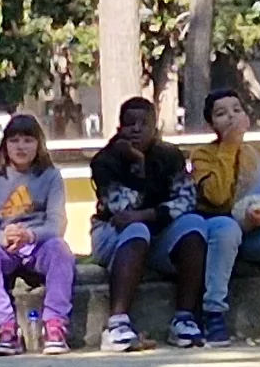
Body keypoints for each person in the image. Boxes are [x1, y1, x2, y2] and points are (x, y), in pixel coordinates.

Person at [169, 88, 260, 347]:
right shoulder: (203, 155)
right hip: (220, 232)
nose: (231, 117)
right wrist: (229, 147)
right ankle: (213, 312)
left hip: (255, 231)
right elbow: (217, 197)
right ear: (211, 124)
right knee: (227, 227)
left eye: (236, 110)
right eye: (221, 114)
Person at [81, 96, 189, 353]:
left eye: (144, 123)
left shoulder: (171, 156)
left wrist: (151, 214)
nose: (137, 129)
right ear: (120, 127)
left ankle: (185, 319)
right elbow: (122, 211)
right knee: (136, 230)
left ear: (156, 126)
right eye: (130, 123)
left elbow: (187, 200)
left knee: (193, 226)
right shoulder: (105, 160)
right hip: (112, 235)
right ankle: (117, 324)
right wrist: (136, 163)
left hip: (157, 231)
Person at [0, 113, 74, 355]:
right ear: (5, 145)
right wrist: (3, 237)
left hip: (38, 242)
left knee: (62, 252)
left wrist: (30, 235)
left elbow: (56, 224)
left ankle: (55, 324)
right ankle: (6, 328)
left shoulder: (51, 176)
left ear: (39, 144)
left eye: (28, 140)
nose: (21, 146)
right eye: (14, 140)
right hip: (4, 243)